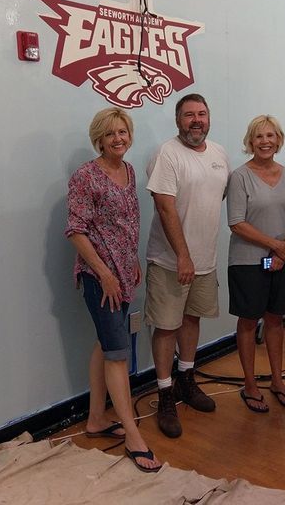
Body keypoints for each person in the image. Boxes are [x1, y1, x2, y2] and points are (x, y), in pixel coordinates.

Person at [65, 107, 161, 473]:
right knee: (118, 353)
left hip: (123, 273)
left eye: (123, 132)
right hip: (99, 278)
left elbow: (129, 220)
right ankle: (134, 437)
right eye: (110, 134)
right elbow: (76, 229)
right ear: (99, 139)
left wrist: (132, 260)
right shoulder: (85, 177)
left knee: (107, 344)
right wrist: (104, 273)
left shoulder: (129, 170)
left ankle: (96, 419)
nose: (118, 139)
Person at [144, 93, 230, 438]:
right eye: (189, 115)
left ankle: (186, 381)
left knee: (191, 319)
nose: (197, 120)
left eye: (202, 114)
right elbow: (165, 207)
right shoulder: (167, 154)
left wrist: (197, 257)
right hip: (171, 261)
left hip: (205, 261)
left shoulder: (220, 154)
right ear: (178, 120)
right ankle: (165, 394)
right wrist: (182, 255)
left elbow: (214, 199)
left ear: (209, 118)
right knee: (167, 326)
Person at [227, 115, 285, 413]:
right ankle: (250, 384)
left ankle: (278, 381)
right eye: (259, 136)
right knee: (248, 322)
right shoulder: (240, 176)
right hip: (247, 262)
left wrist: (284, 253)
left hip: (282, 262)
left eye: (271, 136)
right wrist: (277, 247)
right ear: (250, 141)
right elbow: (236, 223)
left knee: (275, 319)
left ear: (279, 140)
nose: (265, 141)